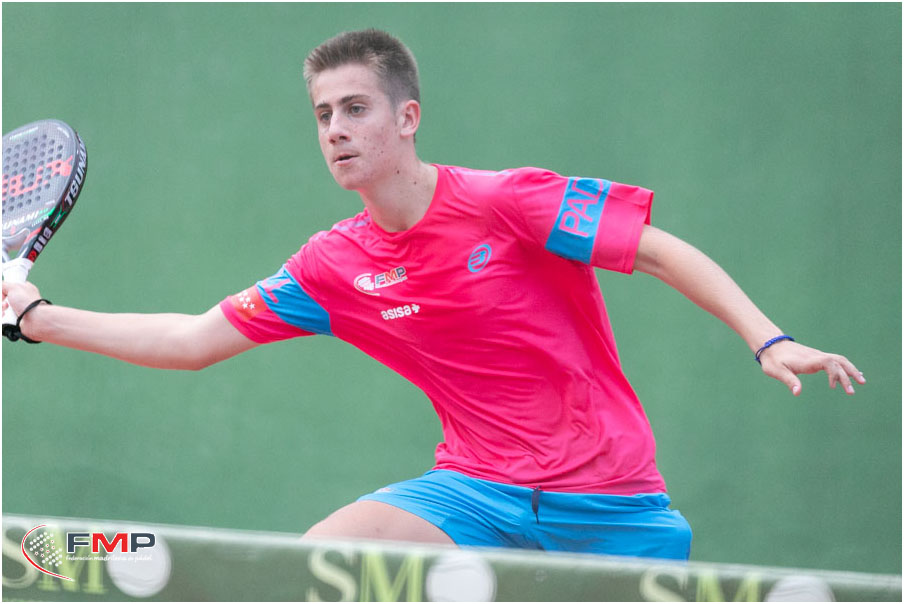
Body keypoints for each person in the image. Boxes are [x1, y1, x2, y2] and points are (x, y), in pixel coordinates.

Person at [1, 29, 865, 560]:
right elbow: (192, 342)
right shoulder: (333, 264)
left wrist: (768, 338)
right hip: (472, 496)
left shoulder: (509, 201)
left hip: (609, 503)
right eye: (322, 115)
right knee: (320, 562)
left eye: (355, 109)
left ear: (407, 118)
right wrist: (36, 317)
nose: (336, 131)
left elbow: (660, 252)